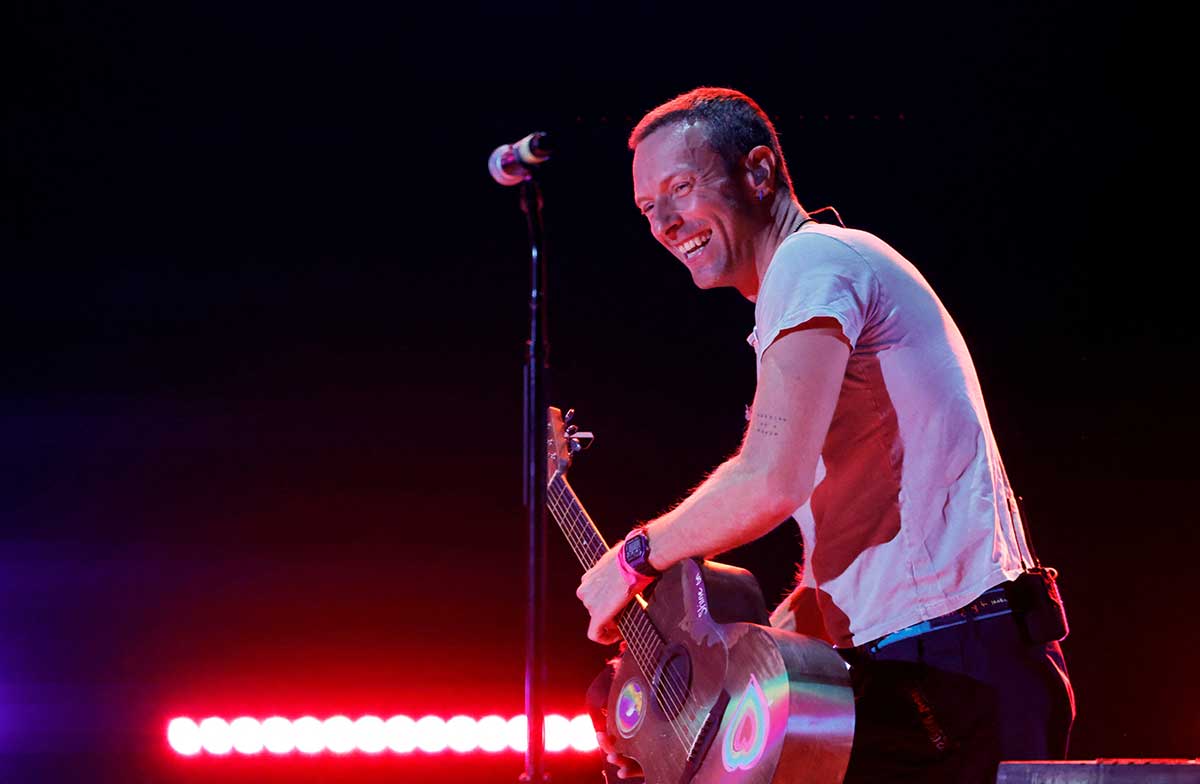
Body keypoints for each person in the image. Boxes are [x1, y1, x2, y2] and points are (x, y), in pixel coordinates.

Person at [575, 87, 1075, 783]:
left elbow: (767, 479)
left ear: (759, 171)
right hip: (928, 659)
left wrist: (632, 558)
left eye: (681, 188)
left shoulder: (811, 264)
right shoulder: (813, 284)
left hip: (956, 663)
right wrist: (731, 682)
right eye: (645, 207)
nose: (664, 221)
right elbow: (836, 531)